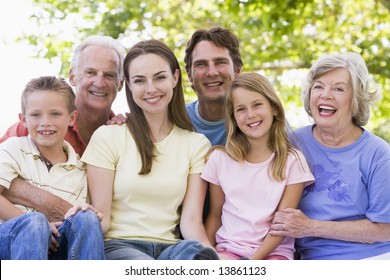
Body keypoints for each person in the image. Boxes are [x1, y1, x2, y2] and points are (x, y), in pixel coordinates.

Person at [79, 39, 218, 260]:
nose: (151, 89)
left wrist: (215, 259)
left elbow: (191, 222)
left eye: (160, 77)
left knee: (197, 256)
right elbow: (101, 218)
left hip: (173, 249)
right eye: (140, 80)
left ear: (175, 77)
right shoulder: (108, 137)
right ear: (129, 85)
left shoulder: (197, 144)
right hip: (119, 247)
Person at [270, 52, 390, 260]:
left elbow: (384, 229)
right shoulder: (291, 144)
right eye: (318, 86)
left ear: (356, 99)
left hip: (374, 259)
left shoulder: (378, 153)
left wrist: (311, 227)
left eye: (338, 88)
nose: (326, 95)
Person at [0, 35, 126, 222]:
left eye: (109, 75)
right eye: (90, 72)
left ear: (121, 83)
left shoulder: (122, 135)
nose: (99, 83)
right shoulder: (35, 126)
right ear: (73, 76)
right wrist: (47, 203)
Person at [202, 72, 314, 260]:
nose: (250, 115)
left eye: (257, 105)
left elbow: (282, 225)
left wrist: (252, 265)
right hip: (228, 250)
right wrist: (206, 253)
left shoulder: (293, 161)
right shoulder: (220, 159)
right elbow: (215, 213)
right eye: (241, 109)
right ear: (234, 118)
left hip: (274, 253)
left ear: (274, 108)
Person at [0, 76, 105, 259]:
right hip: (10, 240)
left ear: (72, 118)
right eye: (35, 115)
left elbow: (74, 224)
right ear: (23, 119)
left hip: (56, 246)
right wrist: (40, 226)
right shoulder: (14, 148)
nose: (45, 122)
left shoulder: (80, 170)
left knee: (86, 217)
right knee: (35, 223)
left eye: (55, 114)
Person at [184, 26, 243, 146]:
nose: (211, 72)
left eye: (220, 62)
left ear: (237, 71)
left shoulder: (257, 119)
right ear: (190, 75)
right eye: (201, 64)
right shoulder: (173, 121)